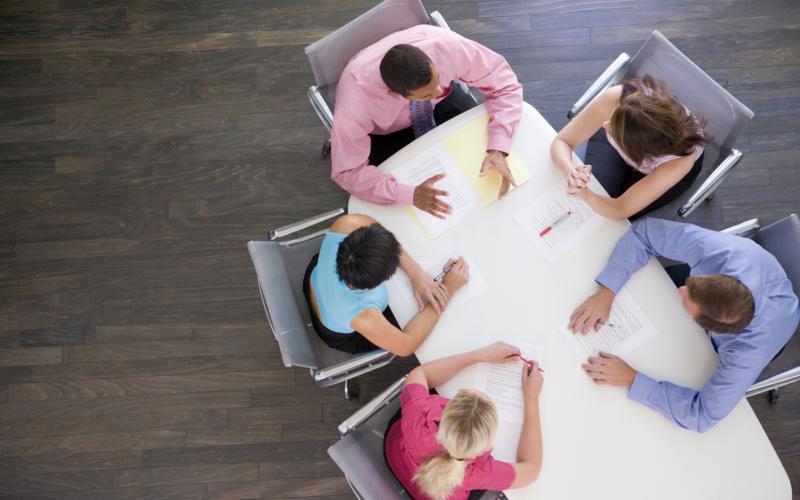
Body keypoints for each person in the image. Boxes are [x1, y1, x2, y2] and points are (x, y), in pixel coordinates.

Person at [568, 218, 799, 432]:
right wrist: (607, 291)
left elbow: (702, 415)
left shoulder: (745, 354)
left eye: (689, 297)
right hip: (754, 271)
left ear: (713, 330)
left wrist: (631, 378)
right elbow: (644, 233)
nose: (681, 289)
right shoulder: (719, 253)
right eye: (693, 283)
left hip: (776, 325)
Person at [331, 24, 523, 219]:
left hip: (440, 108)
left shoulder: (447, 47)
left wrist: (498, 147)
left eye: (438, 79)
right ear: (395, 94)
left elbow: (505, 85)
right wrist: (408, 194)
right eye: (427, 94)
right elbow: (348, 172)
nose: (440, 91)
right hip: (389, 133)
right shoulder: (354, 105)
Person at [385, 341, 543, 500]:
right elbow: (532, 470)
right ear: (486, 445)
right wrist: (531, 398)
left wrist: (477, 356)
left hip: (395, 454)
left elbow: (420, 373)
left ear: (446, 411)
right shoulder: (482, 472)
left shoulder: (419, 410)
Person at [303, 213, 469, 356]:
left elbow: (371, 224)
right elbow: (406, 345)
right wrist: (447, 289)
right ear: (376, 284)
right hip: (339, 332)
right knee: (410, 315)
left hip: (316, 279)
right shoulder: (363, 315)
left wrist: (415, 272)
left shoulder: (345, 225)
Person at [550, 75, 708, 220]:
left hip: (659, 167)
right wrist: (569, 170)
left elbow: (620, 209)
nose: (604, 125)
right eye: (613, 116)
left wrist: (585, 194)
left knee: (607, 216)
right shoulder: (617, 99)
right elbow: (562, 141)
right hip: (637, 142)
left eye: (613, 129)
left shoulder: (680, 161)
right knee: (598, 196)